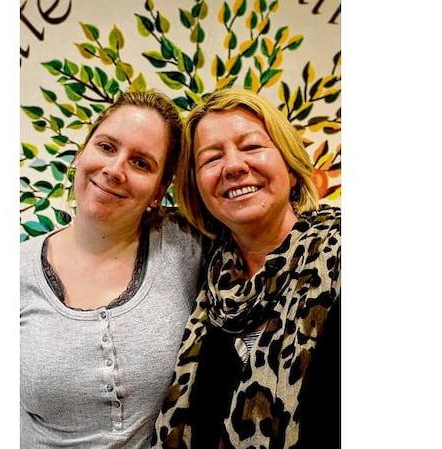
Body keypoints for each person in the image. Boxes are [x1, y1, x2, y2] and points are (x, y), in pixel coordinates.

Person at [152, 88, 341, 449]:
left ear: (290, 164)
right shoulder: (205, 285)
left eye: (252, 147)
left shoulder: (340, 256)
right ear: (197, 189)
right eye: (211, 158)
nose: (234, 166)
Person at [21, 91, 203, 448]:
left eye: (141, 163)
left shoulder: (188, 246)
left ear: (158, 191)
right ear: (81, 153)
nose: (115, 170)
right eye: (106, 147)